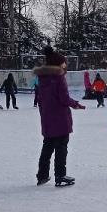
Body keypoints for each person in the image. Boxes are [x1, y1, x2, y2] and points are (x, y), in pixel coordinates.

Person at [35, 46, 85, 187]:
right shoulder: (58, 77)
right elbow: (64, 98)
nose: (65, 64)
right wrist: (76, 104)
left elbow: (40, 99)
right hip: (60, 118)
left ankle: (42, 175)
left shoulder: (42, 78)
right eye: (64, 62)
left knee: (47, 146)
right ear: (58, 63)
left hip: (47, 118)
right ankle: (60, 175)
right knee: (61, 147)